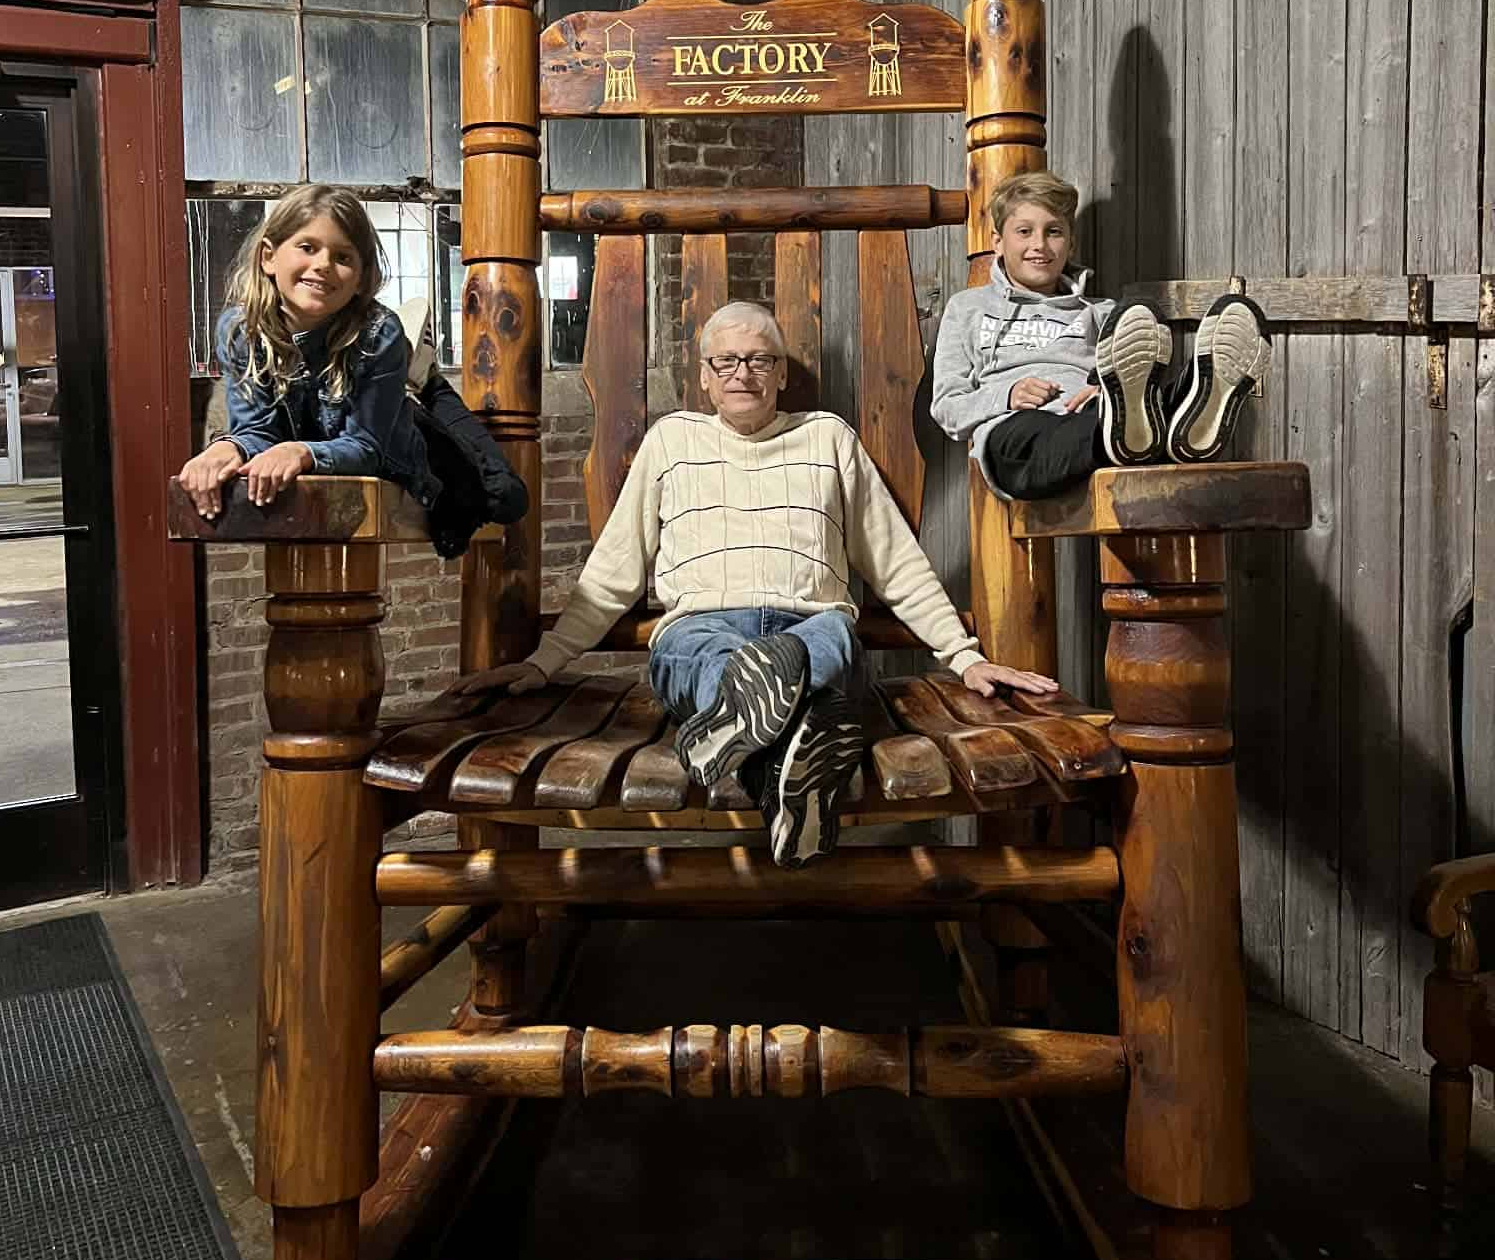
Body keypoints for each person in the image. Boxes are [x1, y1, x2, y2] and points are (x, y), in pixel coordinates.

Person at [459, 301, 1058, 869]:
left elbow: (894, 560)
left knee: (831, 636)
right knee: (699, 651)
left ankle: (749, 727)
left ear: (779, 374)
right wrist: (544, 662)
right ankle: (778, 756)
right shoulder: (672, 440)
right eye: (727, 361)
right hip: (703, 625)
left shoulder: (827, 437)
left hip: (811, 622)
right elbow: (613, 570)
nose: (742, 373)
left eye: (759, 360)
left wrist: (963, 657)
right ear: (705, 377)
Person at [178, 183, 525, 549]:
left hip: (396, 433)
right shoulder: (240, 330)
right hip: (342, 414)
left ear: (360, 278)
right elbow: (258, 430)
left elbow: (367, 446)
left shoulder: (379, 332)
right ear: (268, 257)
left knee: (506, 497)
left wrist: (301, 451)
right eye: (307, 247)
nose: (323, 265)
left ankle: (426, 381)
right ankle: (410, 372)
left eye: (343, 257)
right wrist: (227, 449)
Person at [929, 171, 1271, 501]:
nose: (1040, 245)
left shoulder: (1103, 312)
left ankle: (1188, 394)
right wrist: (1007, 395)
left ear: (1070, 243)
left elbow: (1123, 375)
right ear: (998, 242)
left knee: (1124, 411)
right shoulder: (968, 308)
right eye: (1024, 231)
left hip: (1093, 411)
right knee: (1061, 433)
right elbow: (947, 408)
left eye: (1053, 232)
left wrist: (1103, 390)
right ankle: (1152, 424)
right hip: (1017, 433)